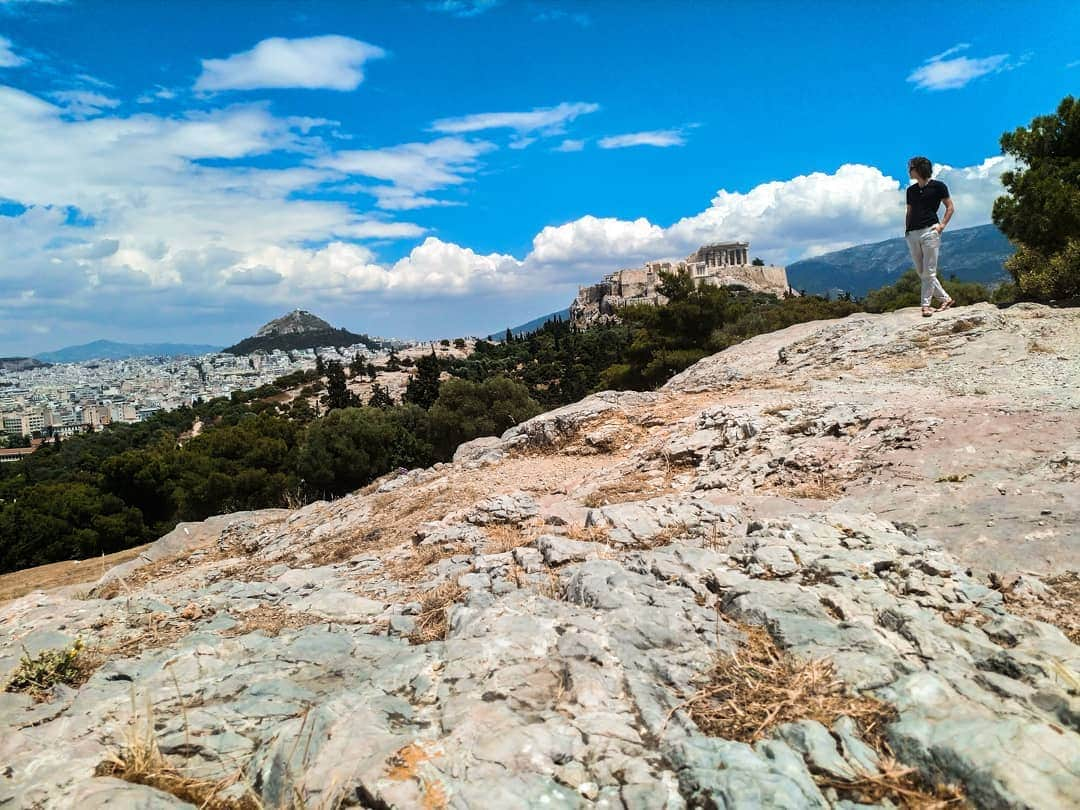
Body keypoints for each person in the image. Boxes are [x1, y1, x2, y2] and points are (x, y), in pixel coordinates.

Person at [905, 156, 955, 317]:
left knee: (929, 271)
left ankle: (925, 306)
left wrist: (941, 226)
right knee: (922, 272)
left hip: (930, 231)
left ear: (919, 169)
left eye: (911, 167)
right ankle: (946, 299)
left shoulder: (938, 186)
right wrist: (907, 230)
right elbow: (909, 212)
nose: (909, 170)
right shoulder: (910, 191)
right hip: (912, 234)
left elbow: (950, 207)